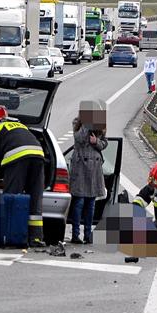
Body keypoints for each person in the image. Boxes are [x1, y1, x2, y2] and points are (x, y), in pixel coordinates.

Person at [0, 105, 47, 248]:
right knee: (35, 198)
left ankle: (9, 236)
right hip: (38, 156)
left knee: (12, 197)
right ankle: (36, 238)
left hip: (17, 157)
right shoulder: (21, 125)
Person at [68, 104, 107, 244]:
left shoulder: (101, 125)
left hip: (94, 168)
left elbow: (104, 143)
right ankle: (75, 235)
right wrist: (86, 124)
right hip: (80, 166)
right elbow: (79, 138)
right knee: (79, 202)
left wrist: (96, 141)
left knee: (91, 203)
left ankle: (88, 235)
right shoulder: (77, 123)